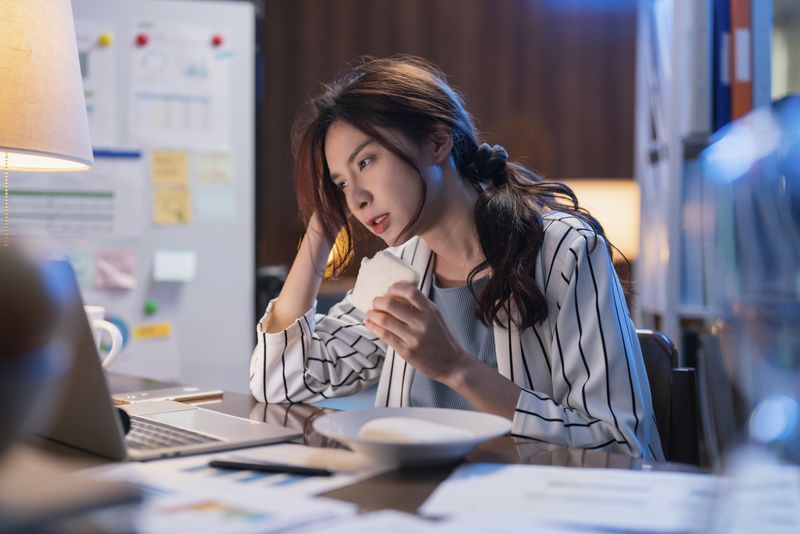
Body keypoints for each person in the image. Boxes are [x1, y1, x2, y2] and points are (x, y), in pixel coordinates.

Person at [250, 56, 663, 459]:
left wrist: (457, 368)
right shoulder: (398, 268)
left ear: (437, 141)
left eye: (366, 161)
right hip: (414, 507)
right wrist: (321, 227)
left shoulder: (563, 250)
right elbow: (278, 383)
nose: (356, 198)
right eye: (341, 183)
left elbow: (617, 444)